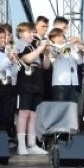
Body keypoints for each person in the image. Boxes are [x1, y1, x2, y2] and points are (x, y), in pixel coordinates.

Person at [14, 22, 49, 155]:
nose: (32, 35)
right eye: (29, 32)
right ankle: (21, 145)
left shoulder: (34, 46)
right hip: (25, 84)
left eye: (33, 32)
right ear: (21, 33)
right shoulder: (20, 45)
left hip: (37, 84)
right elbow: (26, 59)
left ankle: (32, 143)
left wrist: (45, 53)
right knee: (24, 114)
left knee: (34, 115)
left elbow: (46, 66)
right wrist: (40, 49)